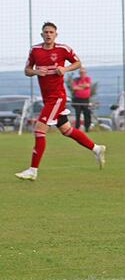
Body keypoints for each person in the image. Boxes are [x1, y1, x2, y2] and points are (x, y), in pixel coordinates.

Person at [15, 22, 106, 181]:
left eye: (51, 32)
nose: (48, 34)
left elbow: (78, 63)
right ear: (42, 34)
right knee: (67, 130)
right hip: (47, 98)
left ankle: (33, 170)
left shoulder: (63, 49)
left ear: (56, 34)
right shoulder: (35, 50)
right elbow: (27, 71)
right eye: (46, 32)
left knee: (39, 130)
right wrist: (37, 71)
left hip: (57, 98)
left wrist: (65, 69)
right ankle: (96, 148)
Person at [71, 67, 93, 131]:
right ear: (79, 73)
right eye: (81, 73)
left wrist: (80, 86)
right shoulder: (76, 80)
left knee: (87, 113)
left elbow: (88, 85)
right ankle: (77, 127)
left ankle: (87, 127)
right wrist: (83, 87)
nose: (82, 74)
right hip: (77, 99)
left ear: (85, 73)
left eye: (83, 73)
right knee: (77, 113)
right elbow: (74, 88)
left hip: (86, 100)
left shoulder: (87, 79)